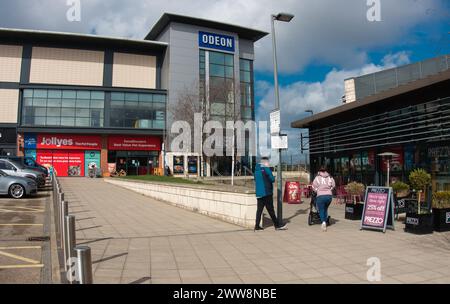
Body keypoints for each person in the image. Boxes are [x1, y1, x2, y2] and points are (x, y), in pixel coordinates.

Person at [254, 157, 288, 231]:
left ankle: (257, 226)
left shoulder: (256, 170)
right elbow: (272, 179)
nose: (268, 164)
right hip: (266, 192)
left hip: (259, 193)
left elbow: (255, 180)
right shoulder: (266, 169)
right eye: (268, 162)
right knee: (271, 210)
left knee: (259, 210)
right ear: (265, 162)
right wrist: (272, 177)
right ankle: (277, 226)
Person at [312, 166, 336, 232]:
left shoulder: (317, 177)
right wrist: (329, 190)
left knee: (321, 209)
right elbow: (333, 185)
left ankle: (323, 222)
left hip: (320, 196)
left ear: (319, 171)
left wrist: (317, 190)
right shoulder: (330, 177)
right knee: (325, 209)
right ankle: (325, 220)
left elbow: (313, 186)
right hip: (329, 196)